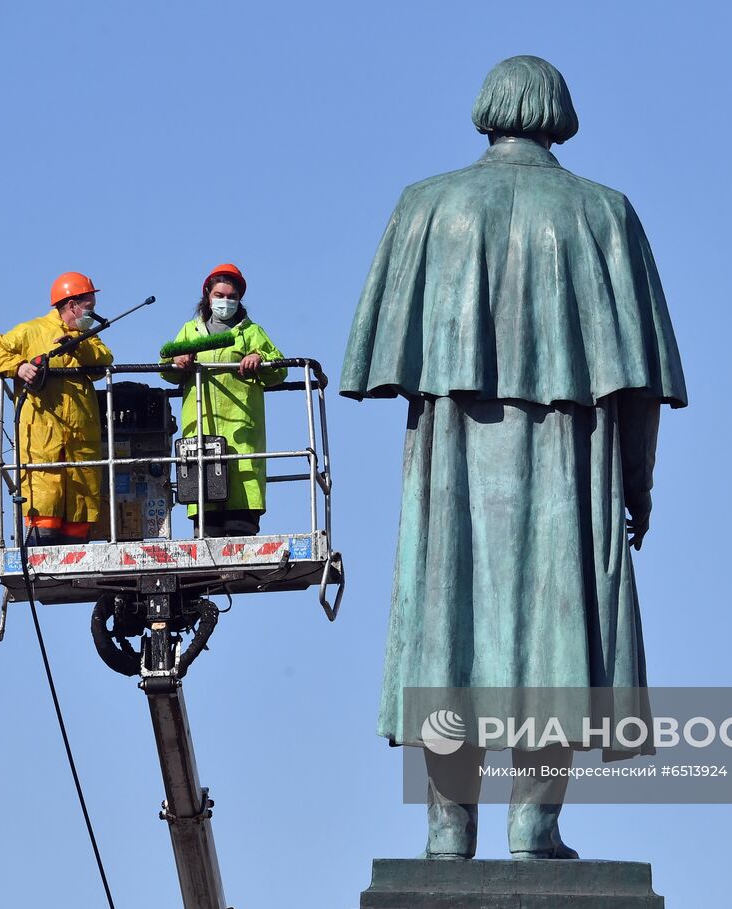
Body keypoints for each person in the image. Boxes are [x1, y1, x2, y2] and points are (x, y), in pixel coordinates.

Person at [340, 56, 688, 859]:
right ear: (558, 113)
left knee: (448, 628)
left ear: (487, 108)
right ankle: (535, 822)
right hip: (568, 459)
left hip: (455, 462)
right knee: (552, 632)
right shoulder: (604, 214)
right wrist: (637, 486)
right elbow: (638, 385)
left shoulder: (426, 208)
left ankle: (445, 827)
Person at [0, 271, 114, 546]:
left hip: (80, 451)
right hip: (42, 449)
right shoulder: (32, 332)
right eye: (88, 307)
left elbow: (104, 361)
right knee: (42, 514)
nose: (91, 313)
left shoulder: (87, 337)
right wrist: (19, 367)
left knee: (80, 517)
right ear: (71, 304)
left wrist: (77, 348)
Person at [163, 263, 285, 537]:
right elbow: (165, 369)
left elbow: (280, 370)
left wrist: (260, 359)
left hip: (241, 432)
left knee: (242, 509)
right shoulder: (190, 333)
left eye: (231, 297)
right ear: (207, 294)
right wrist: (175, 361)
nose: (225, 302)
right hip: (201, 432)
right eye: (220, 295)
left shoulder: (252, 333)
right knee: (207, 528)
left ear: (240, 298)